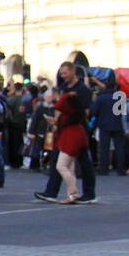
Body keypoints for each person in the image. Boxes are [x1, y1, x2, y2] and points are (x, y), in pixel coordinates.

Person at [35, 61, 97, 203]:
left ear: (73, 71)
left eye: (65, 73)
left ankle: (88, 193)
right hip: (63, 128)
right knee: (58, 160)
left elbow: (85, 112)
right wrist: (56, 122)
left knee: (83, 161)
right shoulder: (62, 88)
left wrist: (66, 118)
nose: (63, 76)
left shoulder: (83, 89)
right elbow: (58, 108)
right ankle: (51, 192)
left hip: (77, 128)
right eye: (61, 73)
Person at [51, 89, 88, 204]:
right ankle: (71, 195)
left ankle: (73, 192)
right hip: (75, 136)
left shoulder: (68, 109)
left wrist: (66, 95)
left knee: (61, 166)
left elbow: (58, 105)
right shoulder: (74, 112)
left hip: (70, 138)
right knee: (69, 167)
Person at [92, 80, 127, 175]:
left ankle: (104, 169)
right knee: (119, 148)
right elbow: (123, 113)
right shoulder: (120, 96)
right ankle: (121, 169)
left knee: (104, 149)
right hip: (117, 124)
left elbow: (94, 111)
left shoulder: (101, 97)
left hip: (104, 124)